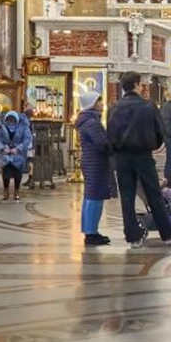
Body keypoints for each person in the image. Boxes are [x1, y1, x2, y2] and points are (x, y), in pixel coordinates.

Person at [107, 71, 171, 249]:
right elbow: (160, 132)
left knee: (127, 197)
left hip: (121, 157)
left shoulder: (114, 107)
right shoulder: (148, 106)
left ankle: (133, 237)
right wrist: (152, 144)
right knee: (153, 194)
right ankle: (167, 234)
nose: (142, 86)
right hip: (142, 154)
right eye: (141, 84)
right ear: (136, 84)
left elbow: (109, 132)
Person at [76, 91, 113, 246]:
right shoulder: (92, 122)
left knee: (91, 196)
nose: (102, 104)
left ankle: (90, 231)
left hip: (91, 161)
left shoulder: (88, 120)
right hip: (95, 162)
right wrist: (113, 148)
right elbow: (102, 144)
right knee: (95, 197)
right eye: (99, 101)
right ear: (93, 104)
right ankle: (91, 234)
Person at [0, 111, 31, 201]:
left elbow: (27, 139)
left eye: (13, 120)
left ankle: (17, 191)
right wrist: (3, 148)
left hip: (18, 154)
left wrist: (18, 148)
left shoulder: (23, 126)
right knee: (6, 172)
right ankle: (6, 190)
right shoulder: (1, 125)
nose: (11, 122)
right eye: (9, 120)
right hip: (5, 153)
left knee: (17, 173)